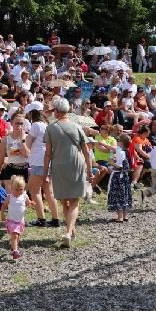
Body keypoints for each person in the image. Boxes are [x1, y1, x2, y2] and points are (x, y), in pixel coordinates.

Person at [43, 98, 92, 248]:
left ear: (57, 111)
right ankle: (69, 232)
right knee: (75, 200)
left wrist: (45, 172)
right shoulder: (76, 126)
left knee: (65, 200)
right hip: (76, 164)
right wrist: (89, 170)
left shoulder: (51, 128)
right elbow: (86, 151)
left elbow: (48, 154)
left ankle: (69, 231)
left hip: (59, 165)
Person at [0, 175, 33, 260]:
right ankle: (15, 251)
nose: (18, 192)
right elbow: (4, 205)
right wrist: (2, 214)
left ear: (24, 188)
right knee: (15, 236)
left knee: (17, 236)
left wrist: (30, 203)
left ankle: (14, 247)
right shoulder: (10, 197)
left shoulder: (24, 196)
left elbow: (28, 202)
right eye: (16, 190)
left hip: (20, 221)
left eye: (21, 189)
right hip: (12, 221)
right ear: (11, 188)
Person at [0, 111, 29, 190]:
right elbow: (1, 160)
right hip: (11, 170)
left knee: (22, 197)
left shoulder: (27, 137)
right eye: (17, 123)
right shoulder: (6, 139)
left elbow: (26, 155)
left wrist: (22, 140)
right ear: (11, 123)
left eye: (21, 123)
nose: (19, 126)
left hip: (24, 169)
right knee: (11, 197)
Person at [107, 134, 133, 222]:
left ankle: (120, 217)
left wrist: (111, 161)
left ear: (121, 143)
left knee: (118, 194)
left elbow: (115, 164)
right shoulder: (127, 151)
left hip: (118, 176)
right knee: (125, 193)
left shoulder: (119, 151)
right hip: (125, 176)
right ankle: (125, 216)